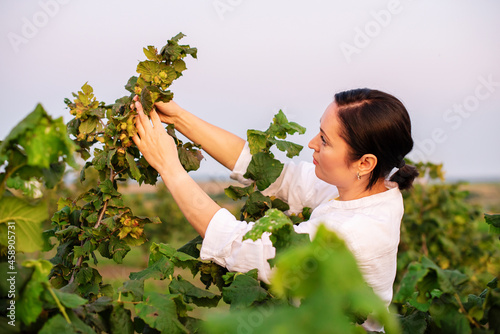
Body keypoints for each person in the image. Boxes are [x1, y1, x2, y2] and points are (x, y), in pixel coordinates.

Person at [132, 88, 419, 331]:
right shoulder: (370, 188)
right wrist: (181, 118)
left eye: (325, 140)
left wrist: (169, 167)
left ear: (365, 163)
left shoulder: (353, 231)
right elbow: (275, 176)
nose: (312, 143)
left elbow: (238, 246)